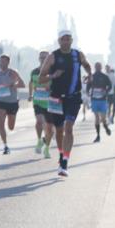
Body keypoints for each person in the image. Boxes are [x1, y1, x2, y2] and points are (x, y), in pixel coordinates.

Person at [39, 30, 92, 177]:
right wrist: (53, 75)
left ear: (72, 40)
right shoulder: (52, 56)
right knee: (59, 130)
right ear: (59, 41)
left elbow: (87, 65)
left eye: (68, 39)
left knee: (69, 128)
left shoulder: (77, 54)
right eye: (63, 39)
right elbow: (41, 78)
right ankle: (62, 154)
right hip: (56, 98)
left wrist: (89, 74)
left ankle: (64, 162)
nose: (66, 42)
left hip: (73, 97)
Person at [0, 54, 26, 155]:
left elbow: (23, 84)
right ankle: (5, 146)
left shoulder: (13, 73)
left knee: (11, 127)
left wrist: (13, 85)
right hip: (1, 101)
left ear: (8, 62)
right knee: (1, 124)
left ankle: (7, 141)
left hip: (12, 102)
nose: (1, 64)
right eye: (0, 62)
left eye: (3, 62)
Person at [28, 51, 55, 158]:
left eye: (45, 58)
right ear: (39, 59)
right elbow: (31, 83)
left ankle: (47, 148)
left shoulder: (52, 71)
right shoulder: (34, 71)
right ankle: (39, 140)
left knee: (50, 129)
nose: (43, 59)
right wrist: (30, 94)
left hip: (50, 103)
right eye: (41, 58)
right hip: (38, 101)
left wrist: (51, 89)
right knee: (39, 121)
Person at [88, 62, 114, 142]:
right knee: (96, 117)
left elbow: (110, 86)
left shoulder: (105, 77)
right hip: (94, 100)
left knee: (102, 118)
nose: (98, 68)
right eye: (96, 67)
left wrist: (106, 91)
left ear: (101, 68)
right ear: (95, 68)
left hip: (102, 100)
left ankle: (106, 128)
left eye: (99, 67)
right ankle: (98, 135)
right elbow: (88, 86)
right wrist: (89, 93)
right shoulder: (92, 76)